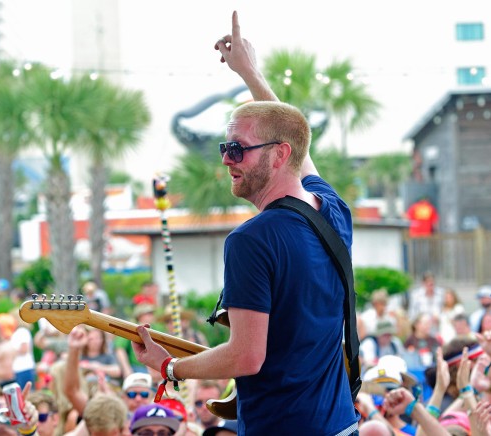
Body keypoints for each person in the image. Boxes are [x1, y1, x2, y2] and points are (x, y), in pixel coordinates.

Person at [131, 10, 358, 435]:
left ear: (279, 155)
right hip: (340, 424)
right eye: (225, 146)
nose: (225, 158)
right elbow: (295, 136)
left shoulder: (252, 239)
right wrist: (251, 73)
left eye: (238, 148)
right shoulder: (332, 210)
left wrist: (170, 366)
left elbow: (245, 357)